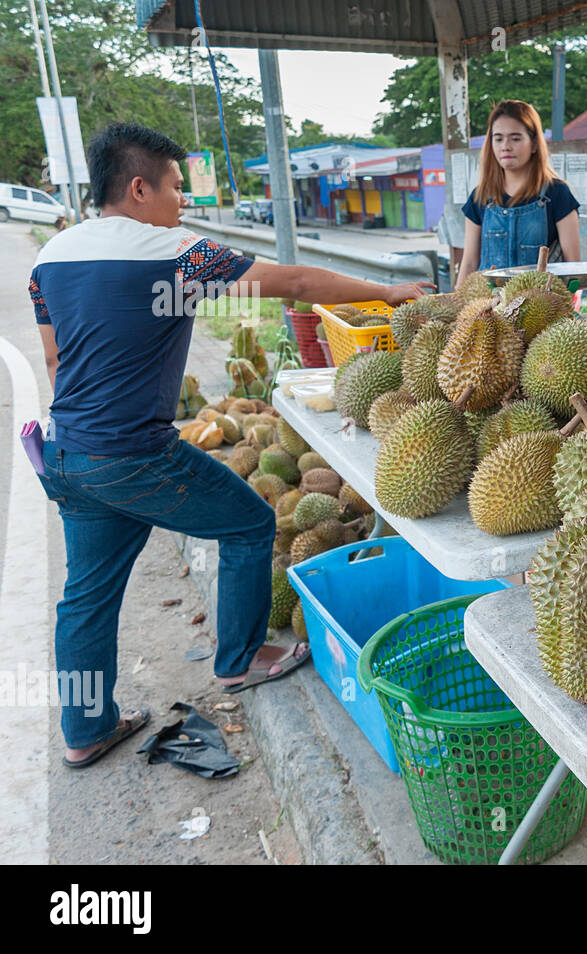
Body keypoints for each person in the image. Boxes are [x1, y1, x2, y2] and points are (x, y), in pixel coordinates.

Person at [29, 122, 434, 769]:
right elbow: (296, 285)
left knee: (86, 596)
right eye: (173, 189)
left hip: (68, 452)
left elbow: (55, 360)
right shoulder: (177, 254)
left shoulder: (50, 258)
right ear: (138, 187)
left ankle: (85, 730)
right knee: (248, 523)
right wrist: (386, 292)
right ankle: (239, 660)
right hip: (135, 453)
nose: (181, 204)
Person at [456, 100, 580, 288]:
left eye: (515, 138)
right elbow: (469, 262)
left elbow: (573, 267)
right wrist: (457, 303)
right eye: (498, 139)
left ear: (534, 144)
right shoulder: (479, 197)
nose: (505, 146)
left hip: (540, 310)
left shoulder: (558, 194)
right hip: (488, 311)